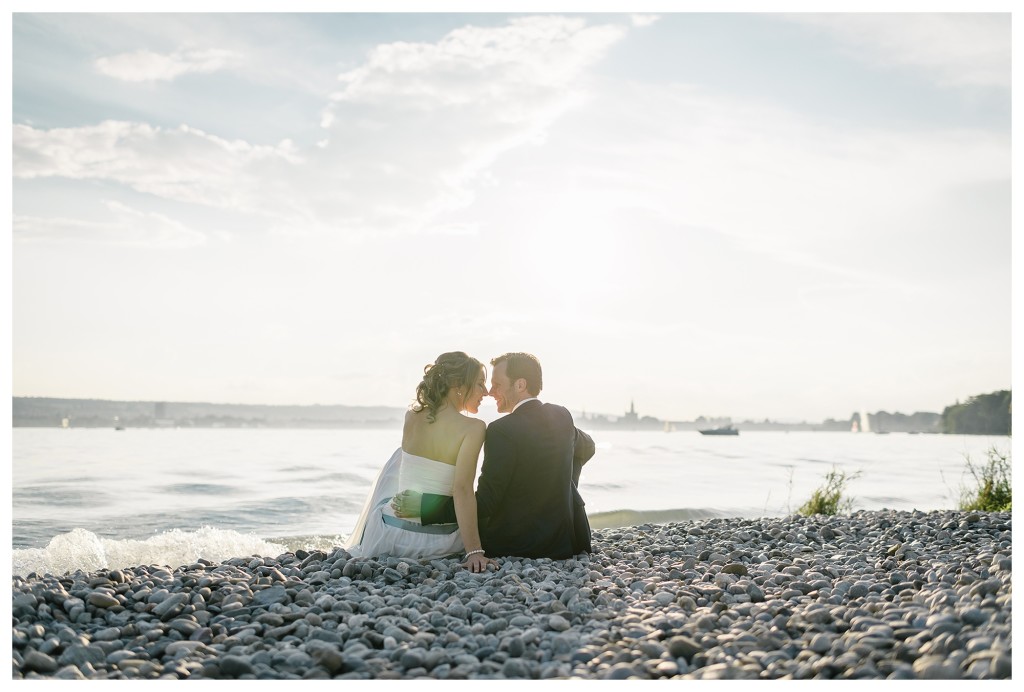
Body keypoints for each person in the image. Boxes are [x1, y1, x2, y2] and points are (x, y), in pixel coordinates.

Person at [394, 352, 595, 560]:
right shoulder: (561, 415)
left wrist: (425, 507)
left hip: (515, 546)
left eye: (497, 384)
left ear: (520, 385)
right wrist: (564, 489)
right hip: (567, 542)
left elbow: (485, 503)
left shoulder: (501, 431)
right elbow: (587, 447)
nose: (490, 392)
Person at [343, 351, 495, 573]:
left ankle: (401, 505)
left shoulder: (411, 417)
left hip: (388, 534)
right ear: (457, 384)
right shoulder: (474, 427)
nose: (486, 392)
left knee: (398, 458)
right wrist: (474, 551)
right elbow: (462, 489)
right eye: (480, 383)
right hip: (437, 542)